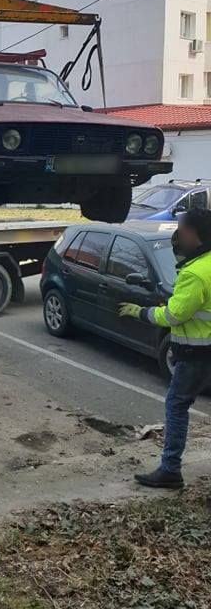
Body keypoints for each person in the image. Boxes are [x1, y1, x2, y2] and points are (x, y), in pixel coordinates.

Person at [119, 207, 211, 488]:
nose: (177, 234)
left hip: (195, 355)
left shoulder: (194, 273)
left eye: (181, 228)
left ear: (194, 234)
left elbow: (174, 315)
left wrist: (141, 312)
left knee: (177, 406)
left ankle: (170, 469)